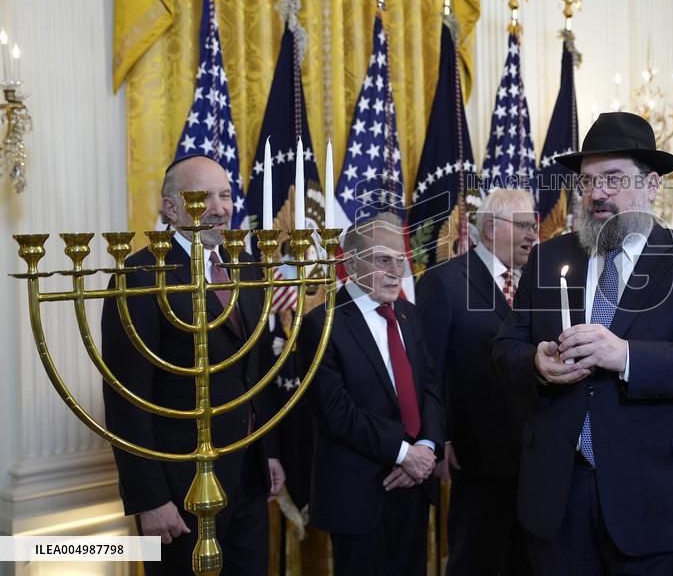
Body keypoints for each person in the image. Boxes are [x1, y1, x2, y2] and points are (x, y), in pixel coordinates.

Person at [491, 112, 673, 575]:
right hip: (559, 498)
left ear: (652, 185)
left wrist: (625, 356)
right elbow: (504, 347)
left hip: (661, 500)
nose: (597, 194)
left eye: (612, 179)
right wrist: (535, 363)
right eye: (587, 182)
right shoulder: (550, 258)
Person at [101, 155, 284, 575]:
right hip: (179, 490)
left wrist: (269, 452)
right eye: (204, 197)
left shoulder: (246, 266)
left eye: (226, 195)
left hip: (249, 475)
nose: (220, 209)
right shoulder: (141, 276)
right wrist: (149, 498)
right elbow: (126, 397)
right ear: (171, 208)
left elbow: (254, 371)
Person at [300, 213, 445, 576]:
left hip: (414, 486)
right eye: (383, 260)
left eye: (401, 259)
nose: (397, 270)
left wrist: (426, 449)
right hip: (357, 495)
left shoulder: (409, 315)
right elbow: (336, 413)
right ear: (350, 263)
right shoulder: (322, 324)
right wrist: (403, 454)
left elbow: (429, 386)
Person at [417, 188, 537, 575]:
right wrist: (441, 439)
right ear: (489, 228)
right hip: (476, 455)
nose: (532, 235)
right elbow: (428, 369)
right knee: (478, 561)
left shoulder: (539, 283)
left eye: (533, 226)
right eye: (522, 225)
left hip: (536, 455)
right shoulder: (445, 283)